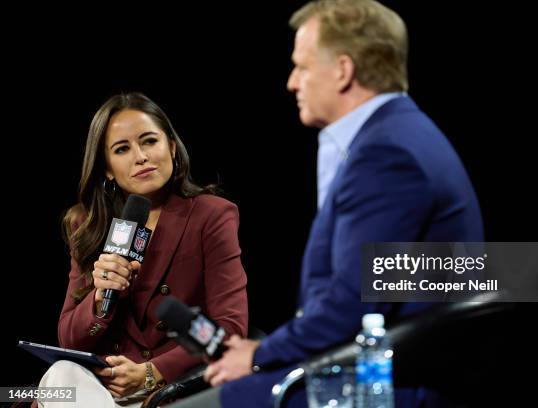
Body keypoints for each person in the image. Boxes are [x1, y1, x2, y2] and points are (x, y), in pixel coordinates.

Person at [173, 0, 483, 407]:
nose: (291, 82)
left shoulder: (389, 155)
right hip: (362, 364)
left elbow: (352, 302)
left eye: (301, 66)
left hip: (382, 383)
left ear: (342, 70)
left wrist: (261, 355)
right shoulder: (399, 133)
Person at [37, 92, 248, 407]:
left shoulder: (211, 215)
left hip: (174, 387)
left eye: (149, 141)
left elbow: (230, 327)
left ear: (172, 148)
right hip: (103, 389)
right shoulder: (87, 224)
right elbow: (69, 338)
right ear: (107, 168)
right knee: (59, 377)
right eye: (122, 149)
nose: (140, 157)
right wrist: (98, 297)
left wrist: (153, 372)